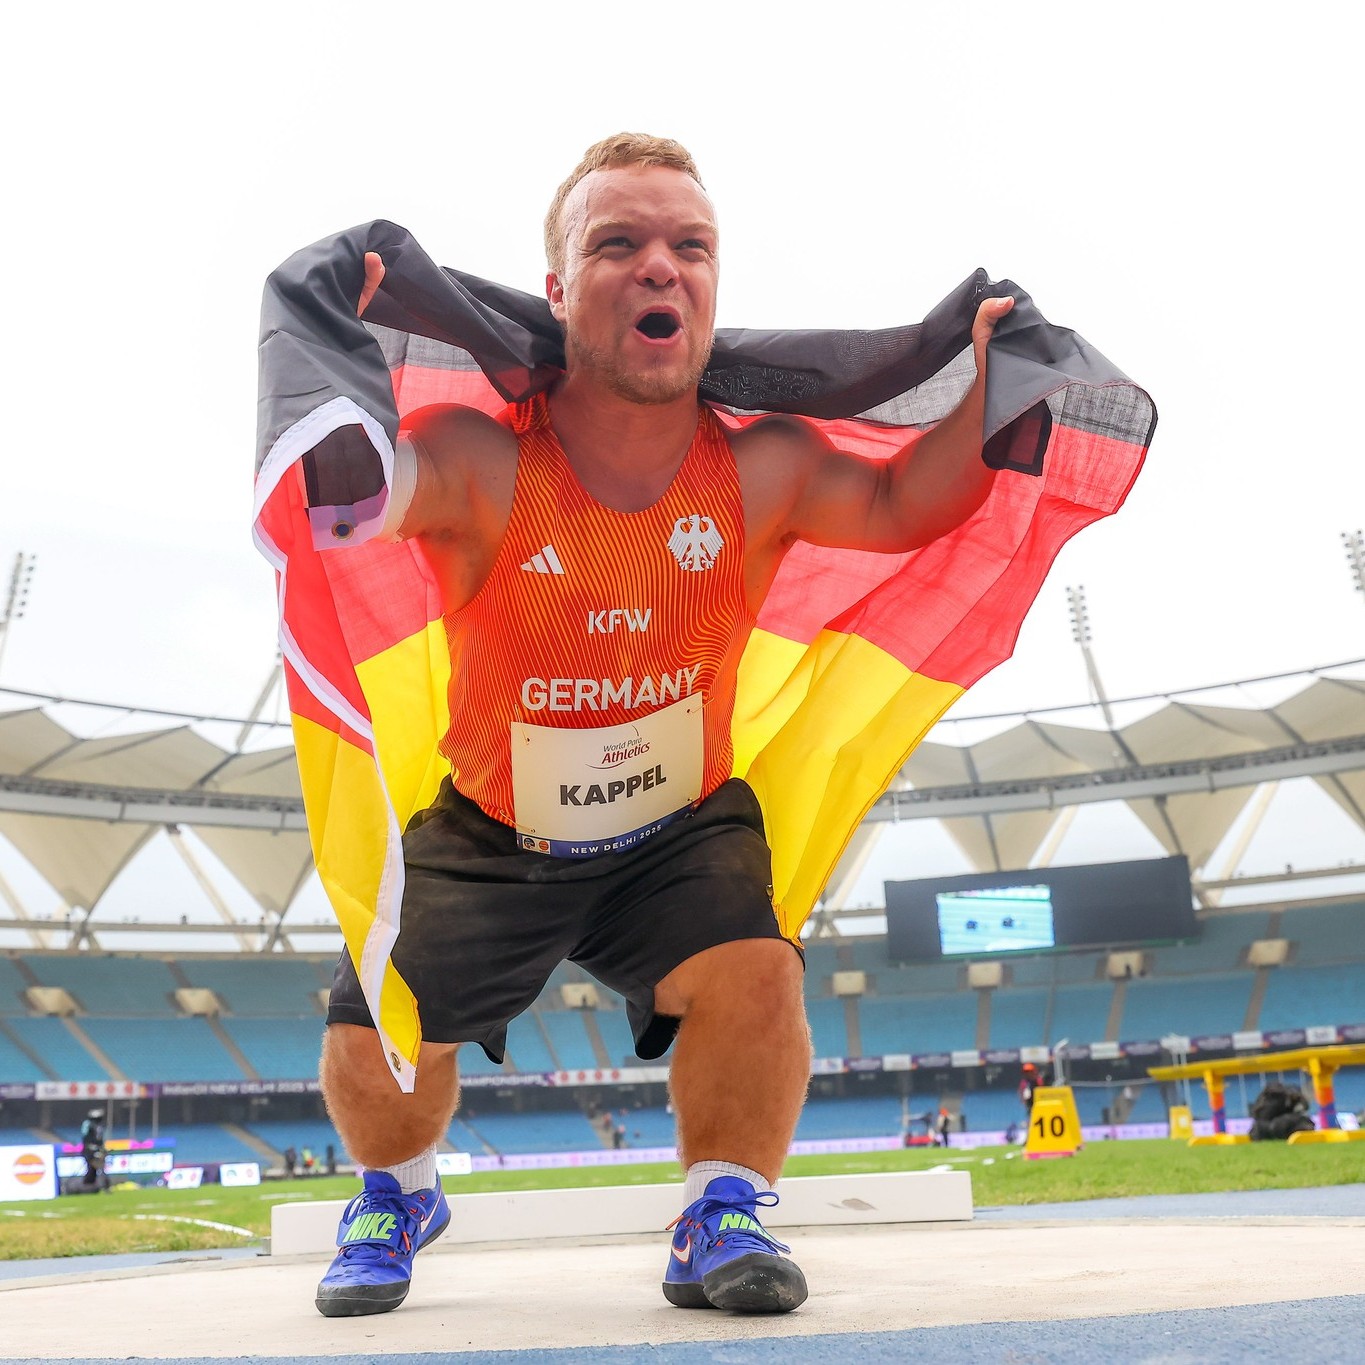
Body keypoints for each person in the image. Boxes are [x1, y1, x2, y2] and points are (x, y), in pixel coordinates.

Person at [307, 132, 1014, 1320]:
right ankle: (397, 1192)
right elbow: (366, 491)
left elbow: (901, 506)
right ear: (556, 290)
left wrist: (997, 375)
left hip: (682, 830)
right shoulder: (479, 461)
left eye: (691, 247)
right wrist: (327, 365)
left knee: (760, 970)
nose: (661, 269)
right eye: (618, 243)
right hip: (492, 830)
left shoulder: (764, 468)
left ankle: (723, 1209)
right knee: (369, 1015)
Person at [79, 1108, 108, 1191]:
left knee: (95, 1169)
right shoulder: (88, 1124)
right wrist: (92, 1148)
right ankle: (88, 1185)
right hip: (89, 1151)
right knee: (92, 1168)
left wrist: (101, 1148)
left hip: (96, 1150)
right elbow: (86, 1138)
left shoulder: (99, 1127)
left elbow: (100, 1140)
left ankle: (92, 1186)